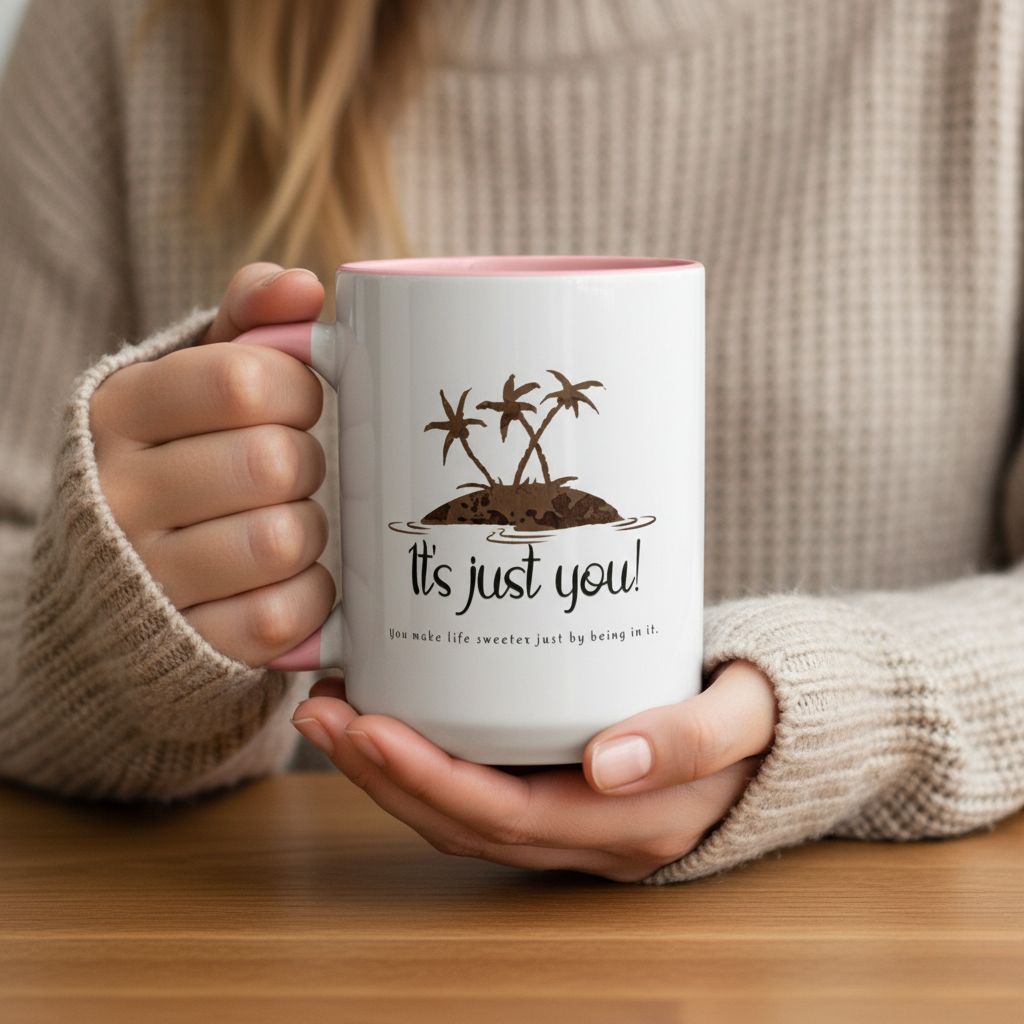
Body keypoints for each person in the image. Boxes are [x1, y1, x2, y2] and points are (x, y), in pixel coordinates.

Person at [0, 0, 1021, 886]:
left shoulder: (986, 31)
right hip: (313, 923)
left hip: (850, 951)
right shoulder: (124, 27)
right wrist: (107, 638)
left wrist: (836, 712)